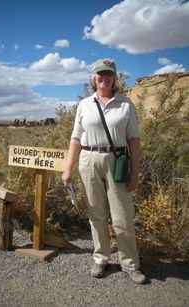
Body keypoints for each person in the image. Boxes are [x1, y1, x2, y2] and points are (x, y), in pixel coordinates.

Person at [62, 58, 146, 284]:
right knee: (96, 214)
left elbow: (134, 140)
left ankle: (130, 263)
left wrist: (134, 172)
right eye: (100, 73)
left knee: (122, 216)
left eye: (109, 74)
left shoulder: (126, 104)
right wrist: (68, 167)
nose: (104, 77)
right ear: (93, 77)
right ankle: (101, 258)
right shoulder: (85, 104)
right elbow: (76, 138)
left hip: (117, 160)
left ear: (115, 78)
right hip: (88, 159)